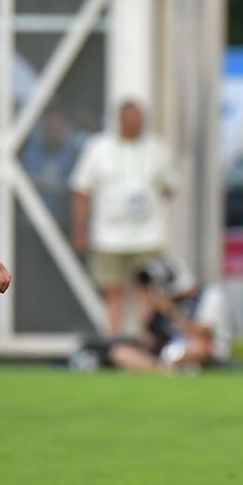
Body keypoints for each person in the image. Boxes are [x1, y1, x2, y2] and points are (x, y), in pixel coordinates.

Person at [70, 101, 175, 336]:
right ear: (119, 120)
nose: (135, 124)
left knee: (148, 291)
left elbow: (170, 187)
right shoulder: (98, 147)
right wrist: (80, 230)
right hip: (109, 235)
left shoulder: (157, 149)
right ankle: (114, 343)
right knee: (111, 290)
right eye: (130, 119)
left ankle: (149, 343)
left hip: (148, 234)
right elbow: (81, 189)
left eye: (139, 119)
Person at [106, 257, 232, 371]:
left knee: (198, 347)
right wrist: (148, 306)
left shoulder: (209, 295)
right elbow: (148, 340)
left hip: (196, 350)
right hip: (168, 350)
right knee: (120, 352)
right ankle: (163, 368)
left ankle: (162, 368)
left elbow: (201, 333)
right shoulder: (163, 300)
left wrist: (171, 311)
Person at [21, 105, 83, 230]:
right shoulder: (30, 152)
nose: (53, 130)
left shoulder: (75, 155)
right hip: (31, 222)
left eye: (57, 126)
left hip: (62, 222)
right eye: (49, 126)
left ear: (65, 127)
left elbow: (73, 187)